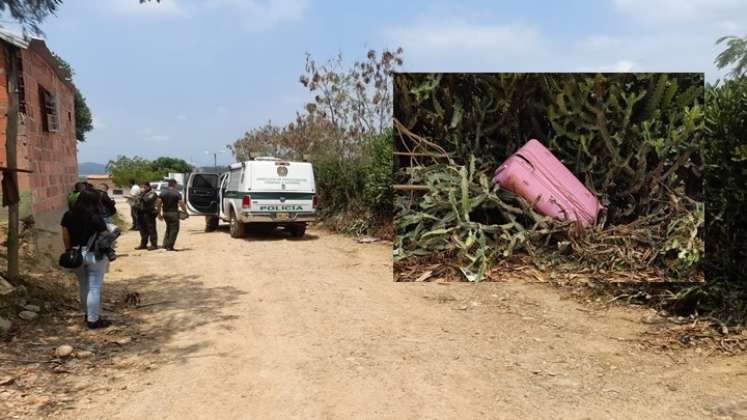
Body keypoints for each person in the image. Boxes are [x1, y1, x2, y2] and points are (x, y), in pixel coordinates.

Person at [61, 190, 113, 329]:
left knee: (83, 285)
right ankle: (93, 319)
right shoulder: (96, 217)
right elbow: (106, 236)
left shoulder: (68, 215)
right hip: (94, 255)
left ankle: (87, 314)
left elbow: (65, 236)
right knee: (94, 287)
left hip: (76, 255)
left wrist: (69, 250)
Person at [157, 179, 188, 251]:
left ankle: (165, 244)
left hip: (165, 213)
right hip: (173, 213)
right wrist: (185, 212)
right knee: (174, 230)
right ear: (174, 184)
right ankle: (170, 246)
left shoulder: (162, 193)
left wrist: (159, 214)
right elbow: (181, 204)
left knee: (168, 228)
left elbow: (158, 204)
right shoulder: (177, 193)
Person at [135, 182, 159, 251]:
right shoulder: (141, 194)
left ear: (148, 187)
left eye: (144, 187)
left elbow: (147, 200)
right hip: (140, 214)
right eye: (141, 187)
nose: (142, 188)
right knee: (142, 230)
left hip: (149, 213)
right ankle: (143, 245)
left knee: (151, 229)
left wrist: (142, 194)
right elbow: (137, 201)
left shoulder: (152, 193)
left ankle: (154, 245)